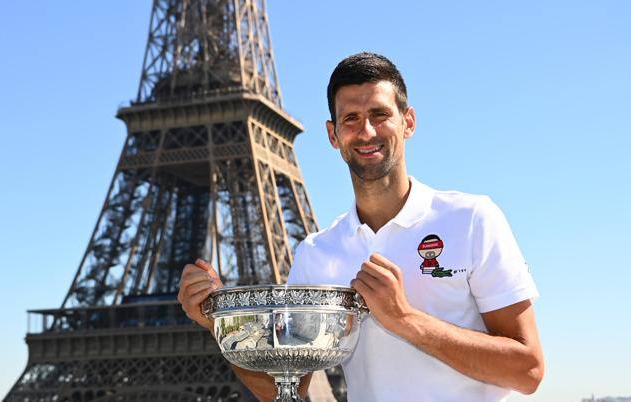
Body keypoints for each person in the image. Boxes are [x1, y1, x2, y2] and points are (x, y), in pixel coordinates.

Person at [178, 52, 544, 401]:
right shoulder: (316, 254)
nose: (366, 131)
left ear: (408, 122)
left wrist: (405, 319)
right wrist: (219, 323)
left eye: (379, 114)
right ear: (333, 135)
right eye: (351, 118)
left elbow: (528, 371)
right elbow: (286, 391)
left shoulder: (472, 219)